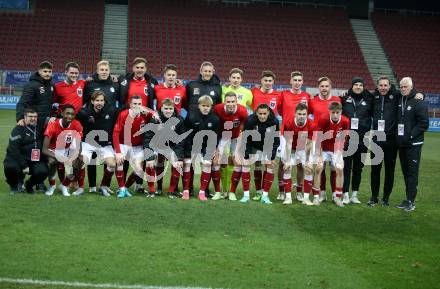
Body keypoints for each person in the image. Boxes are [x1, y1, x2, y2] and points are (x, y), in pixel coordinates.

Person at [118, 57, 158, 193]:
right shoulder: (124, 80)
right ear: (133, 68)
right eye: (137, 67)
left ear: (145, 69)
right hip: (128, 119)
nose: (139, 70)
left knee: (143, 151)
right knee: (125, 153)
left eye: (142, 68)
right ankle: (122, 185)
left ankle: (139, 185)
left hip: (145, 121)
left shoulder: (151, 82)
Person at [82, 60, 121, 192]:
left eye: (106, 70)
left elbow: (120, 101)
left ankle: (106, 186)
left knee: (107, 156)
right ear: (97, 71)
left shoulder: (115, 84)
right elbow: (85, 103)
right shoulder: (90, 84)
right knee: (91, 158)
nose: (104, 72)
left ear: (109, 71)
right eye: (101, 70)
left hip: (108, 122)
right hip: (92, 123)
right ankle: (92, 186)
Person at [76, 91, 119, 196]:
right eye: (97, 100)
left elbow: (124, 115)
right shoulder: (84, 112)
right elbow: (73, 121)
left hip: (105, 144)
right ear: (92, 101)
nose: (99, 103)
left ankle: (103, 186)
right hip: (88, 143)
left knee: (112, 164)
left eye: (101, 100)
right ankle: (80, 188)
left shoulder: (112, 111)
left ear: (104, 102)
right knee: (81, 161)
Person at [395, 77, 429, 212]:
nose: (403, 89)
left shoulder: (419, 102)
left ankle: (411, 201)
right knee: (405, 172)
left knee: (412, 173)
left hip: (413, 144)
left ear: (411, 87)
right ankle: (408, 198)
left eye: (405, 87)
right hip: (402, 144)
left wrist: (410, 135)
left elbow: (423, 124)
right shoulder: (400, 99)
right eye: (401, 87)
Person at [278, 71, 311, 201]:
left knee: (300, 164)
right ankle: (281, 191)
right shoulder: (284, 94)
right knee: (283, 163)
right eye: (295, 80)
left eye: (299, 80)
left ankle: (298, 191)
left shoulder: (307, 96)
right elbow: (279, 110)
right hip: (285, 132)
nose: (297, 82)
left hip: (302, 134)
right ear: (290, 81)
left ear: (302, 82)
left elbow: (309, 112)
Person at [153, 64, 187, 194]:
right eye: (169, 75)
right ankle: (159, 187)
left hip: (176, 127)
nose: (171, 77)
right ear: (164, 76)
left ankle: (174, 188)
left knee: (176, 159)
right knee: (161, 159)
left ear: (176, 77)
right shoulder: (157, 88)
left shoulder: (182, 89)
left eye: (173, 75)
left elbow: (186, 104)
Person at [143, 98, 187, 198]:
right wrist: (149, 157)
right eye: (166, 108)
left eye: (170, 108)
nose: (168, 111)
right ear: (161, 109)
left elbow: (181, 140)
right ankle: (154, 190)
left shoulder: (179, 120)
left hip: (172, 146)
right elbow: (148, 138)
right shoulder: (155, 119)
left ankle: (171, 191)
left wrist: (179, 158)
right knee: (152, 163)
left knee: (177, 164)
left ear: (173, 109)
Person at [112, 95, 155, 198]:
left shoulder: (145, 115)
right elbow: (115, 133)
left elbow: (155, 115)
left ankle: (125, 187)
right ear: (130, 105)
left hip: (137, 145)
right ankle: (121, 189)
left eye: (139, 104)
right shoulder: (123, 115)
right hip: (123, 144)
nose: (137, 106)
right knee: (120, 163)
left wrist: (152, 113)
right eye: (135, 104)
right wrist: (118, 152)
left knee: (139, 170)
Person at [340, 77, 373, 205]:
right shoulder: (345, 98)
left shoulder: (369, 99)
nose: (358, 87)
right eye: (356, 85)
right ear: (352, 86)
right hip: (347, 139)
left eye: (360, 85)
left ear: (363, 86)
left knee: (358, 169)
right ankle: (345, 194)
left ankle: (354, 194)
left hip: (363, 140)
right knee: (346, 168)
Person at [239, 103, 280, 204]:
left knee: (270, 166)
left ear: (268, 113)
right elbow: (245, 138)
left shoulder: (274, 121)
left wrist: (271, 157)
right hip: (253, 145)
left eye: (264, 113)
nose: (262, 116)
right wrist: (246, 155)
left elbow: (275, 141)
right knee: (246, 165)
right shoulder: (250, 120)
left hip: (267, 145)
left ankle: (265, 196)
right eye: (260, 113)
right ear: (256, 113)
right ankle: (247, 195)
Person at [220, 68, 253, 193]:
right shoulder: (223, 90)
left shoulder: (247, 92)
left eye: (238, 78)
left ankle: (230, 189)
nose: (235, 80)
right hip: (223, 132)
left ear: (242, 79)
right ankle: (223, 189)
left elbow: (253, 107)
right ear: (229, 78)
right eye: (233, 77)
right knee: (222, 161)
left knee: (234, 160)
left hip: (238, 132)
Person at [250, 70, 282, 201]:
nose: (268, 83)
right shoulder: (254, 92)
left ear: (273, 82)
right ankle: (258, 191)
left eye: (270, 81)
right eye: (265, 80)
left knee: (270, 163)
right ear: (261, 81)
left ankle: (265, 193)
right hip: (256, 132)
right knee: (257, 163)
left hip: (270, 133)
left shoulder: (279, 95)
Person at [182, 95, 220, 201]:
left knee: (207, 164)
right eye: (203, 105)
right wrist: (189, 151)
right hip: (191, 146)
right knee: (188, 164)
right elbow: (187, 135)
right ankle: (186, 191)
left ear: (211, 107)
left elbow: (215, 137)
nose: (205, 108)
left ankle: (202, 192)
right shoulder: (191, 116)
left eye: (208, 106)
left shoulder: (215, 119)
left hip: (206, 148)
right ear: (199, 106)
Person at [309, 77, 341, 202]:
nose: (324, 88)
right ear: (319, 87)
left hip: (333, 141)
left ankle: (334, 194)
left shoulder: (337, 100)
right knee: (319, 167)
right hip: (319, 139)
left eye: (326, 86)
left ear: (330, 87)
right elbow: (307, 115)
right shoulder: (313, 101)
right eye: (322, 86)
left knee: (334, 168)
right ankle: (321, 193)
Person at [368, 76, 399, 207]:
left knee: (389, 171)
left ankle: (386, 198)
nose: (383, 88)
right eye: (381, 85)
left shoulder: (396, 95)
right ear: (377, 86)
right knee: (375, 170)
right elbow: (357, 93)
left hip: (391, 139)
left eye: (385, 85)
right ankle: (374, 197)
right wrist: (345, 93)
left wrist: (421, 94)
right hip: (376, 138)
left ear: (390, 86)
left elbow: (410, 93)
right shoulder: (372, 96)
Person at [212, 91, 248, 200]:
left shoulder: (242, 111)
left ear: (236, 101)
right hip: (222, 136)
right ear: (224, 102)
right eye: (228, 102)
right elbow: (213, 125)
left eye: (233, 101)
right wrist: (215, 148)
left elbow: (243, 128)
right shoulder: (217, 109)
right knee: (216, 161)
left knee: (237, 161)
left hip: (236, 137)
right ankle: (218, 191)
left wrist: (237, 150)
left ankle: (232, 192)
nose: (231, 104)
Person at [313, 102, 350, 207]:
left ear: (340, 112)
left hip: (336, 148)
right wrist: (319, 156)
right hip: (323, 147)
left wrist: (339, 154)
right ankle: (317, 196)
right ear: (329, 112)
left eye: (337, 112)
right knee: (319, 168)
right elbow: (318, 138)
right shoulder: (323, 119)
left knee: (339, 168)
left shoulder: (345, 121)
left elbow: (344, 139)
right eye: (333, 112)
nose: (335, 115)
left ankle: (337, 197)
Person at [4, 108, 48, 193]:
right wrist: (24, 165)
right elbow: (14, 149)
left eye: (35, 116)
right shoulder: (18, 129)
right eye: (30, 116)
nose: (33, 118)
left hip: (34, 160)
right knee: (10, 166)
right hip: (19, 160)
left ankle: (29, 185)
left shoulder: (40, 127)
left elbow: (51, 119)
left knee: (43, 171)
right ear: (24, 117)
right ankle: (14, 185)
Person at [42, 104, 83, 196]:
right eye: (67, 113)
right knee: (52, 162)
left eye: (72, 114)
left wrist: (75, 156)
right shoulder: (53, 124)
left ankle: (64, 185)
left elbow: (79, 146)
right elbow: (44, 149)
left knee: (80, 160)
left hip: (66, 150)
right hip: (53, 150)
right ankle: (52, 185)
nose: (70, 116)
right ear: (61, 113)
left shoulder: (76, 124)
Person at [281, 102, 316, 205]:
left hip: (303, 148)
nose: (301, 116)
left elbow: (310, 144)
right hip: (290, 149)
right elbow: (288, 143)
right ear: (295, 114)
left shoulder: (311, 124)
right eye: (299, 114)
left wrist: (308, 161)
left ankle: (305, 198)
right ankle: (288, 198)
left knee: (308, 169)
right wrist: (287, 161)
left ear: (307, 115)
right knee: (287, 168)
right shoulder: (288, 123)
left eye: (304, 114)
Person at [16, 61, 54, 125]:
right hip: (34, 121)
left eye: (50, 72)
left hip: (48, 121)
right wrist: (20, 118)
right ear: (39, 72)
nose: (48, 74)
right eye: (45, 71)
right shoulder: (31, 85)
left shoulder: (51, 85)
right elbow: (23, 103)